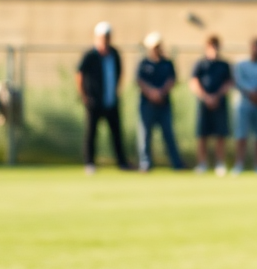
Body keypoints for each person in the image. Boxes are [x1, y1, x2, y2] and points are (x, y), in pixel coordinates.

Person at [75, 21, 131, 173]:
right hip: (94, 101)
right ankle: (90, 163)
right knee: (91, 133)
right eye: (103, 37)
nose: (105, 40)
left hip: (111, 100)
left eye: (108, 37)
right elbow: (79, 74)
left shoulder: (114, 53)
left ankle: (122, 162)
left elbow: (119, 73)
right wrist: (84, 95)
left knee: (116, 133)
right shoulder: (90, 55)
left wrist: (116, 90)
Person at [135, 32, 185, 172]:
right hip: (147, 105)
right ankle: (145, 164)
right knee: (145, 135)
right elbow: (139, 81)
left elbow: (172, 79)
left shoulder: (167, 63)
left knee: (168, 134)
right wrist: (152, 93)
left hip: (164, 105)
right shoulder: (144, 63)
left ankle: (176, 163)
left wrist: (161, 92)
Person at [190, 34, 233, 176]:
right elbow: (194, 82)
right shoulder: (200, 64)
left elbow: (229, 83)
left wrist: (216, 96)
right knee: (202, 135)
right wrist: (206, 97)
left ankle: (220, 163)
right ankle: (202, 164)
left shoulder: (224, 64)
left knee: (220, 135)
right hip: (204, 104)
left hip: (219, 103)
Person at [233, 37, 257, 175]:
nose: (256, 50)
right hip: (244, 104)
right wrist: (251, 94)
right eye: (254, 47)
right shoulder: (241, 64)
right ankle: (239, 164)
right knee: (241, 135)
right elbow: (238, 82)